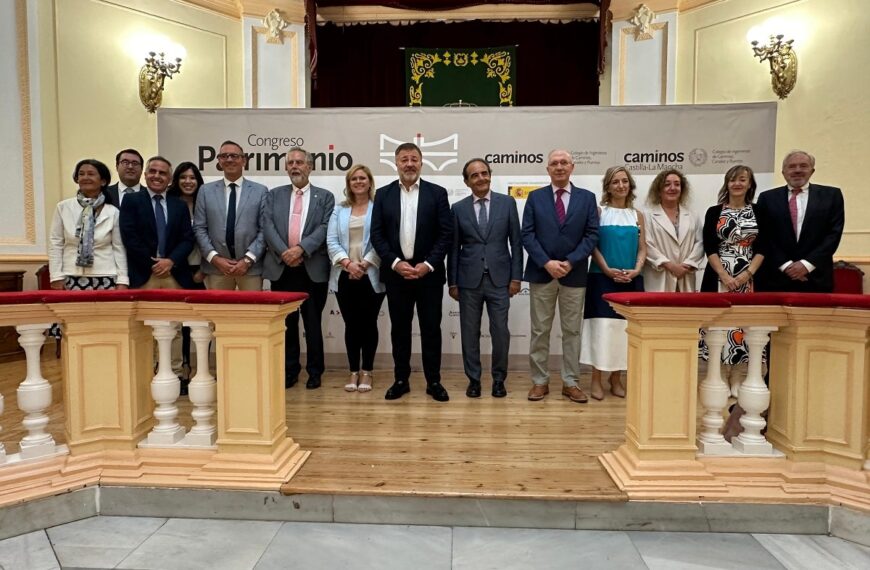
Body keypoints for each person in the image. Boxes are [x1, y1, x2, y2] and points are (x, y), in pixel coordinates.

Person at [370, 142, 453, 402]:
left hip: (428, 274)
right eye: (404, 159)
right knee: (400, 330)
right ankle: (401, 379)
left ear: (421, 162)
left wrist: (427, 265)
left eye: (414, 159)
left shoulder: (437, 193)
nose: (409, 164)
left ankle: (434, 381)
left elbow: (445, 233)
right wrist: (395, 263)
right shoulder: (383, 195)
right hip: (397, 274)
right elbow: (377, 234)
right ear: (396, 163)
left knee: (431, 329)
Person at [522, 149, 599, 404]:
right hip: (542, 273)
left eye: (563, 162)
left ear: (572, 167)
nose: (559, 167)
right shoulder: (535, 198)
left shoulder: (587, 198)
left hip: (573, 274)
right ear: (548, 169)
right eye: (554, 163)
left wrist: (570, 261)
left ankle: (571, 382)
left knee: (572, 332)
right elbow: (527, 235)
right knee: (540, 330)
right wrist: (546, 262)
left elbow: (591, 235)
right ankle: (539, 381)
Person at [447, 158, 522, 399]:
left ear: (490, 175)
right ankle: (474, 380)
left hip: (500, 280)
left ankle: (499, 380)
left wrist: (516, 278)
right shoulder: (458, 208)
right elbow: (454, 248)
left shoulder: (507, 203)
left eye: (484, 173)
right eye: (475, 175)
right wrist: (453, 282)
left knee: (500, 332)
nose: (481, 178)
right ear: (467, 181)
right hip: (468, 281)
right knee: (469, 333)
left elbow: (516, 243)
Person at [263, 147, 335, 390]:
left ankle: (315, 371)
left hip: (311, 268)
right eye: (290, 163)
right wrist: (286, 252)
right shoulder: (273, 195)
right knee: (288, 324)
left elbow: (325, 227)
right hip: (282, 268)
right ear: (286, 167)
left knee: (313, 324)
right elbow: (268, 226)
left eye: (300, 162)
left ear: (310, 166)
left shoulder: (325, 197)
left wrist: (301, 249)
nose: (295, 166)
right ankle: (289, 370)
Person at [580, 166, 646, 401]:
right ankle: (596, 379)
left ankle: (616, 379)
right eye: (615, 182)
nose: (621, 185)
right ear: (608, 186)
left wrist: (636, 270)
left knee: (623, 331)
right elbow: (593, 245)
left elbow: (643, 248)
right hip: (601, 278)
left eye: (625, 181)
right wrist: (607, 269)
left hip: (630, 280)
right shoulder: (599, 212)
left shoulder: (637, 215)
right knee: (601, 330)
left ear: (630, 185)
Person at [700, 165, 766, 397]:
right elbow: (709, 246)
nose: (737, 184)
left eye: (742, 180)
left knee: (743, 324)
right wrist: (725, 275)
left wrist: (746, 275)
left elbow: (763, 247)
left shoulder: (759, 211)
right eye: (732, 180)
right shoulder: (714, 211)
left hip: (750, 275)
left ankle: (738, 373)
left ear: (750, 184)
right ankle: (718, 372)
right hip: (719, 274)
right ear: (726, 184)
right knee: (719, 323)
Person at [326, 164, 386, 393]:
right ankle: (353, 371)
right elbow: (331, 241)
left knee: (369, 325)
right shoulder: (339, 210)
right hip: (345, 274)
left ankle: (368, 372)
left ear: (370, 182)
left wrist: (366, 263)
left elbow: (383, 239)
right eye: (354, 179)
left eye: (363, 178)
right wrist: (348, 264)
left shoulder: (378, 208)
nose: (359, 182)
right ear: (348, 184)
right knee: (351, 325)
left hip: (371, 274)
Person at [755, 150, 845, 293]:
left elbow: (833, 235)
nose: (797, 170)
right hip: (775, 279)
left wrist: (806, 265)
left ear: (812, 170)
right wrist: (786, 266)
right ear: (783, 172)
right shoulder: (767, 198)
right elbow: (764, 236)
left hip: (816, 278)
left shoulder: (832, 196)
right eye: (792, 166)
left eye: (803, 166)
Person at [193, 140, 268, 291]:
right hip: (216, 269)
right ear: (219, 161)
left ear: (243, 160)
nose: (229, 159)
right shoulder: (205, 191)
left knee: (251, 313)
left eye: (234, 156)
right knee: (218, 314)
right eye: (224, 156)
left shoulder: (260, 191)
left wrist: (247, 260)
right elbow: (199, 228)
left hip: (250, 269)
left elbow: (264, 230)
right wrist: (215, 259)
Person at [48, 159, 129, 290]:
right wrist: (56, 276)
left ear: (103, 181)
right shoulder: (63, 207)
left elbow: (119, 248)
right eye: (81, 174)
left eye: (91, 174)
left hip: (106, 275)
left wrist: (123, 280)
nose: (85, 177)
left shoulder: (113, 211)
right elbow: (55, 244)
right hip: (70, 275)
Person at [119, 156, 195, 291]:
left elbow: (187, 239)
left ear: (170, 179)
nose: (157, 176)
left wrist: (170, 261)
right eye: (153, 171)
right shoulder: (131, 200)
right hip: (142, 275)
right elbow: (130, 238)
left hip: (175, 274)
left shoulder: (180, 205)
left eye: (162, 173)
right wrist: (155, 265)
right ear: (145, 175)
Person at [168, 162, 206, 385]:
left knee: (200, 325)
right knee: (177, 325)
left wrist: (203, 269)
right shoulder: (169, 204)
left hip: (201, 270)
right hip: (175, 270)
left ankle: (201, 369)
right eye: (183, 177)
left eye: (192, 178)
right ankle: (182, 369)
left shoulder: (205, 203)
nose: (188, 182)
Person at [643, 169, 705, 292]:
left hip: (685, 275)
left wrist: (686, 265)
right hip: (659, 275)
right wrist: (670, 266)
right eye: (667, 184)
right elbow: (647, 245)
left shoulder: (693, 215)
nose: (673, 188)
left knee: (684, 310)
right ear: (658, 189)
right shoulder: (647, 215)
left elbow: (700, 243)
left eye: (677, 184)